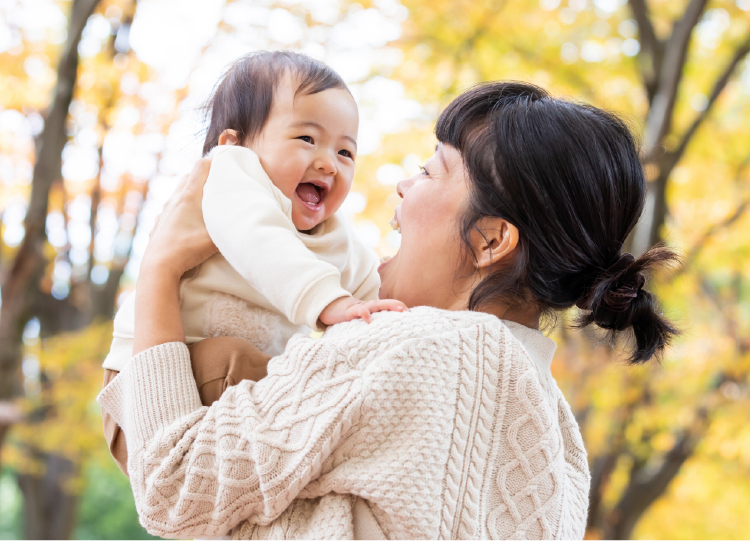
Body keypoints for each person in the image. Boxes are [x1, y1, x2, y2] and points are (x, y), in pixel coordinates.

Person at [98, 81, 678, 541]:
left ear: (490, 241)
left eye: (430, 171)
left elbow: (171, 486)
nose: (402, 186)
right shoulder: (558, 439)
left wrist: (161, 269)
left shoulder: (414, 347)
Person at [102, 51, 406, 377]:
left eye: (345, 151)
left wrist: (385, 320)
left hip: (241, 379)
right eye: (307, 138)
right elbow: (261, 242)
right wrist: (331, 303)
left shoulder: (339, 238)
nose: (329, 164)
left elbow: (369, 296)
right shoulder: (230, 175)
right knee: (235, 359)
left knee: (272, 370)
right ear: (235, 144)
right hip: (141, 377)